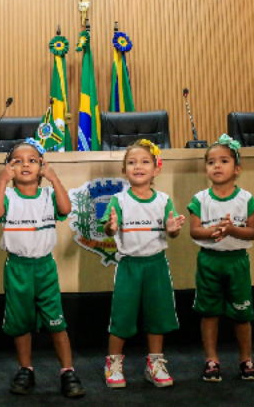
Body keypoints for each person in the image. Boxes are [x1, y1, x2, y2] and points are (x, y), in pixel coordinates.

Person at [0, 138, 85, 398]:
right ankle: (26, 369)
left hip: (44, 268)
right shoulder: (7, 194)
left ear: (42, 166)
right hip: (18, 268)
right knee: (21, 323)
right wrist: (1, 181)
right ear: (9, 168)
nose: (25, 165)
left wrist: (55, 179)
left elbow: (66, 209)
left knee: (57, 321)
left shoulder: (48, 195)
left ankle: (67, 371)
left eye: (32, 160)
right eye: (17, 161)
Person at [100, 139, 185, 389]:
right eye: (132, 162)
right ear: (124, 170)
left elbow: (173, 232)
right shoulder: (119, 200)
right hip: (129, 267)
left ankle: (155, 363)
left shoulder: (163, 200)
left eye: (145, 162)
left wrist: (172, 230)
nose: (138, 166)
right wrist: (110, 227)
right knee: (122, 317)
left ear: (156, 169)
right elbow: (107, 227)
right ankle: (113, 363)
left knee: (157, 316)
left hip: (156, 266)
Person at [187, 134, 254, 382]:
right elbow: (194, 231)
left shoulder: (246, 199)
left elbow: (253, 232)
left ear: (237, 168)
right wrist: (214, 231)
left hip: (237, 262)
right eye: (211, 162)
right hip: (209, 261)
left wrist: (231, 230)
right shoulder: (200, 199)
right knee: (209, 313)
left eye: (224, 161)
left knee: (242, 314)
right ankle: (211, 360)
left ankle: (246, 359)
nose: (217, 166)